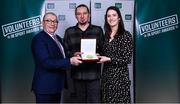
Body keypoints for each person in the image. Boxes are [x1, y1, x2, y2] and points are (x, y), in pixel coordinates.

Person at [31, 12, 82, 103]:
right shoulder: (39, 39)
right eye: (48, 21)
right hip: (45, 87)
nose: (52, 24)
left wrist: (73, 56)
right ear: (43, 23)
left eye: (55, 21)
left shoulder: (57, 38)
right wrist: (70, 61)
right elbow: (46, 62)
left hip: (56, 86)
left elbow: (61, 56)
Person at [63, 4, 104, 103]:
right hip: (77, 75)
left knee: (94, 101)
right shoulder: (69, 32)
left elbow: (103, 50)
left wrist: (98, 54)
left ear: (89, 15)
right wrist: (73, 54)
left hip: (93, 75)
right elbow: (65, 52)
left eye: (85, 13)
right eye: (79, 14)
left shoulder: (98, 30)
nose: (82, 16)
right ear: (75, 16)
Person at [97, 6, 133, 103]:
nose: (111, 18)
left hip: (119, 79)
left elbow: (126, 59)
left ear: (119, 18)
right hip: (106, 78)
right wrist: (95, 55)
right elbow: (103, 54)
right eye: (108, 16)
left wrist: (108, 59)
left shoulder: (126, 35)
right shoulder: (106, 35)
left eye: (114, 15)